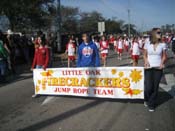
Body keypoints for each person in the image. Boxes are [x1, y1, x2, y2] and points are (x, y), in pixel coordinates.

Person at [143, 28, 167, 112]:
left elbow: (164, 56)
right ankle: (146, 98)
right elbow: (144, 54)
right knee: (148, 87)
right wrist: (146, 61)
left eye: (160, 32)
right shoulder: (147, 43)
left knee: (155, 87)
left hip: (158, 68)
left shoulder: (163, 44)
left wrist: (162, 63)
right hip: (149, 67)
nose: (160, 34)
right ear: (153, 33)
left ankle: (151, 104)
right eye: (158, 32)